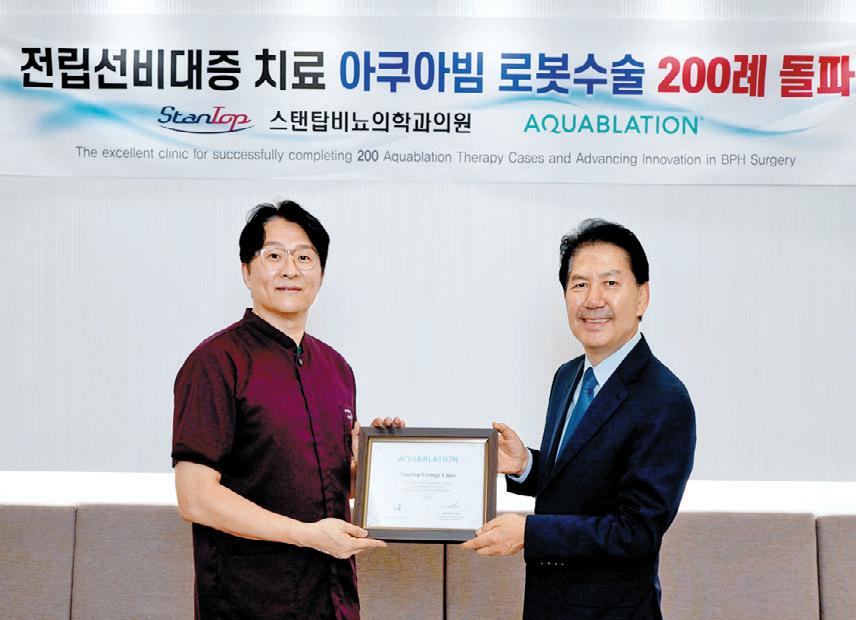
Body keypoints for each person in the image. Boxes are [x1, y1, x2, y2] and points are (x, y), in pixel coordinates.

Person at [171, 200, 403, 619]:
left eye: (304, 257)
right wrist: (307, 535)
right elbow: (196, 498)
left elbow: (330, 487)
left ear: (321, 273)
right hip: (250, 602)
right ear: (247, 271)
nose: (290, 270)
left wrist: (373, 462)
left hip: (333, 599)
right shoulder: (216, 362)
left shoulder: (336, 368)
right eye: (274, 256)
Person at [463, 219, 696, 619]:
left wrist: (529, 533)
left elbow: (636, 531)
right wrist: (526, 465)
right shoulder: (568, 376)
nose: (593, 300)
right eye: (580, 284)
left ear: (642, 297)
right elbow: (582, 483)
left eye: (610, 283)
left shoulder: (664, 399)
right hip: (548, 603)